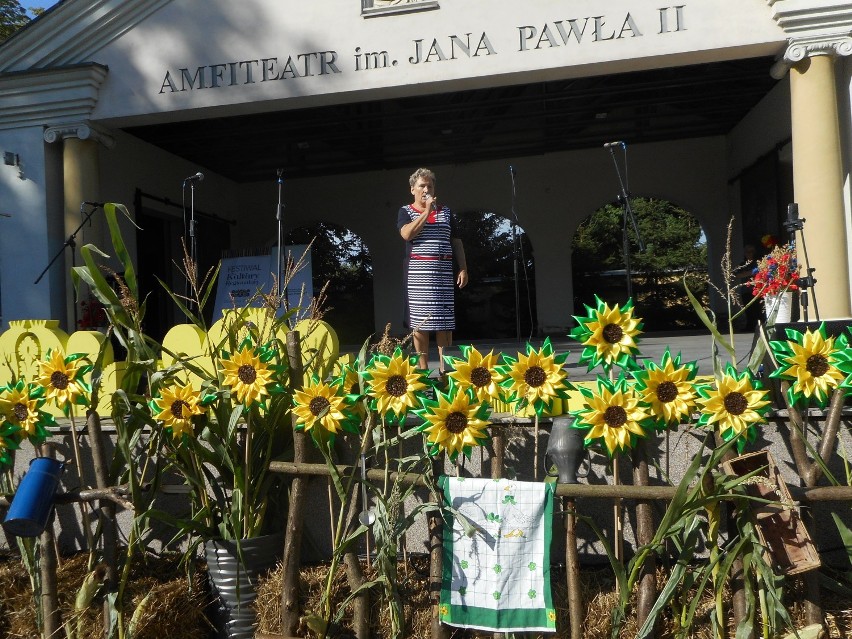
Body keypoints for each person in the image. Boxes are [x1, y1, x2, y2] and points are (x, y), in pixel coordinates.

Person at [397, 168, 468, 375]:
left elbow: (456, 241)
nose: (426, 189)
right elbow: (407, 234)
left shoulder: (446, 211)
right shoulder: (405, 211)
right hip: (419, 274)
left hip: (444, 273)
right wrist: (427, 212)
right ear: (413, 189)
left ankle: (446, 373)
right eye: (422, 186)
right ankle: (423, 371)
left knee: (444, 322)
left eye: (430, 185)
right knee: (421, 323)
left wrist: (463, 267)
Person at [734, 243, 759, 330]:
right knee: (748, 309)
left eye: (751, 252)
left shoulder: (757, 263)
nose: (750, 254)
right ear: (745, 253)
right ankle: (749, 326)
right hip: (746, 290)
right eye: (748, 252)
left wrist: (748, 273)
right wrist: (752, 272)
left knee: (757, 309)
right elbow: (737, 275)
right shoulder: (742, 264)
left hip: (757, 290)